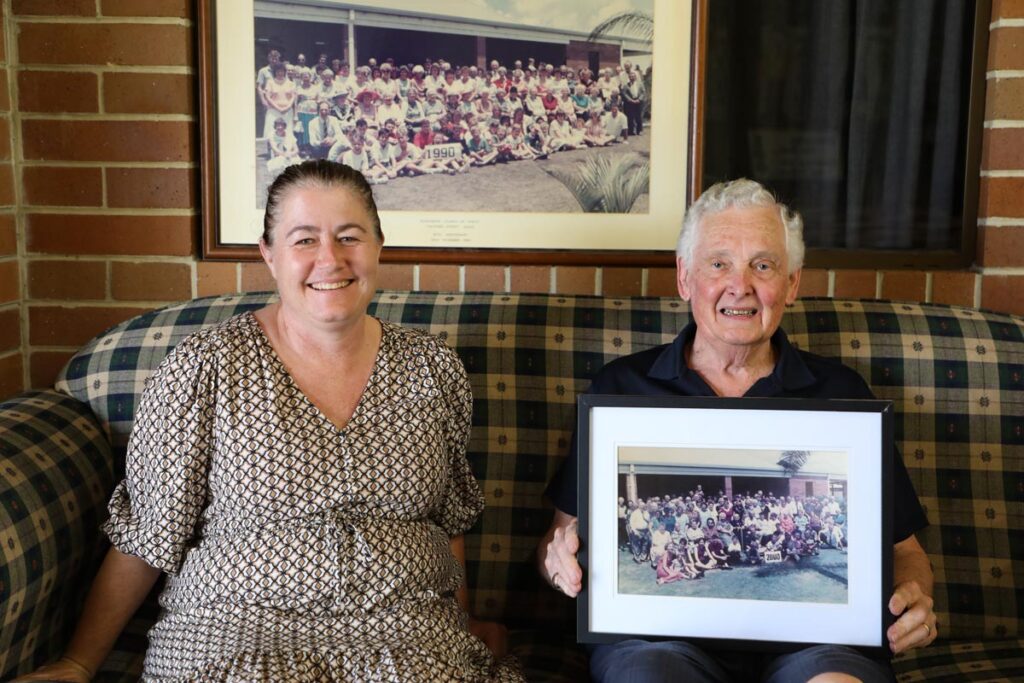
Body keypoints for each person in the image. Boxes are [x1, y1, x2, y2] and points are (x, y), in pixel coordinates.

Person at [17, 160, 523, 683]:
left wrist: (464, 618)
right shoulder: (204, 366)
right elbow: (149, 533)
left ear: (377, 246)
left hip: (408, 629)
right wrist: (78, 663)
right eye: (304, 240)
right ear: (269, 254)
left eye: (349, 236)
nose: (330, 258)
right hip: (235, 629)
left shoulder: (431, 367)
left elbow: (448, 521)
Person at [537, 178, 936, 683]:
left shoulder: (843, 394)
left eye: (763, 265)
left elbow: (905, 553)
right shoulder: (620, 390)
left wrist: (915, 595)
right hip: (660, 642)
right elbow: (557, 534)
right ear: (685, 278)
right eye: (719, 263)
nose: (739, 285)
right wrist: (557, 561)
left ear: (791, 284)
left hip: (819, 644)